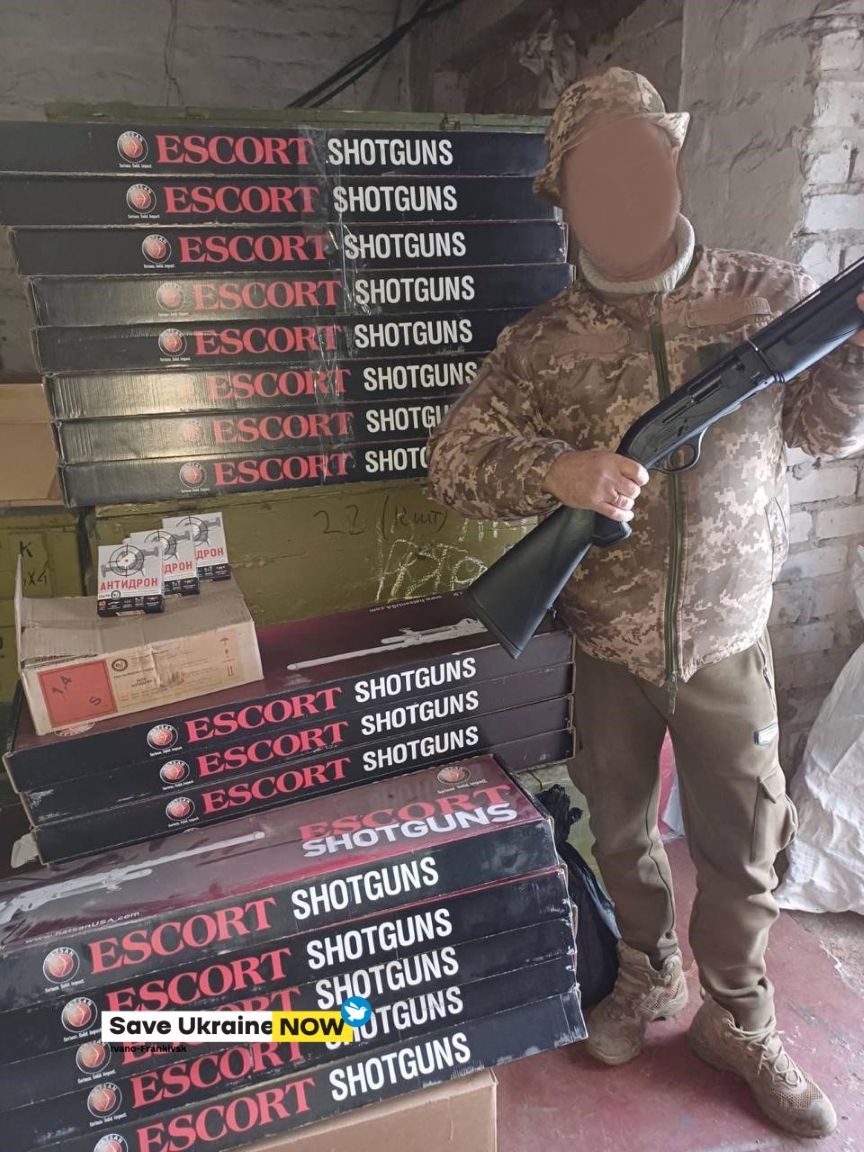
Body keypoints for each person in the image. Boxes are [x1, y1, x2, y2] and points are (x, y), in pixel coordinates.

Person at [426, 67, 864, 1140]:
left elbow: (826, 431)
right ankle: (647, 973)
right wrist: (557, 471)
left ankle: (739, 1019)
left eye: (640, 158)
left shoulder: (767, 296)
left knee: (745, 847)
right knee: (620, 829)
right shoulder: (542, 340)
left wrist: (857, 357)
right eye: (595, 172)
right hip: (609, 644)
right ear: (564, 197)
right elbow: (452, 461)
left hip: (727, 639)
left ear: (673, 159)